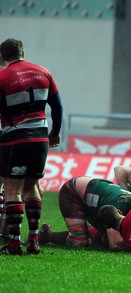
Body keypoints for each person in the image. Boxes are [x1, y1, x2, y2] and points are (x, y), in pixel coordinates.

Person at [0, 38, 63, 255]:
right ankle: (33, 240)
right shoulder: (43, 72)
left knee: (12, 190)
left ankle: (14, 243)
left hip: (14, 138)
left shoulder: (2, 76)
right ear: (23, 52)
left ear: (2, 56)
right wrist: (54, 132)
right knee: (32, 187)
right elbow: (57, 106)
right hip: (40, 139)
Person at [39, 175, 131, 250]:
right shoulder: (120, 206)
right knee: (80, 241)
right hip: (72, 192)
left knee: (103, 238)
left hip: (97, 196)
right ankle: (47, 235)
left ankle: (51, 234)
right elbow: (115, 245)